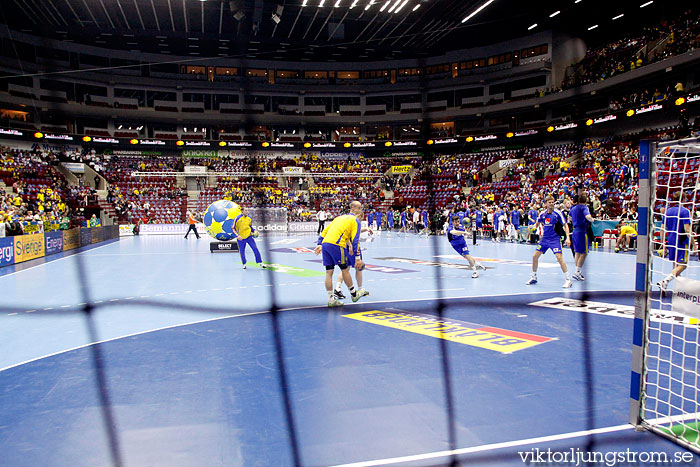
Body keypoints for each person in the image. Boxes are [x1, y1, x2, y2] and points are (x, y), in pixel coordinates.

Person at [315, 208, 364, 307]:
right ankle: (354, 294)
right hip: (337, 245)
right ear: (359, 216)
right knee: (345, 269)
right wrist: (357, 257)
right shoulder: (355, 221)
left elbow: (324, 231)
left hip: (326, 244)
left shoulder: (338, 218)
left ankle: (331, 300)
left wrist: (319, 243)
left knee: (329, 272)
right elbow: (355, 240)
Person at [526, 196, 572, 288]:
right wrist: (533, 227)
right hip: (544, 239)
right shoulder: (542, 214)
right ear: (545, 204)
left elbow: (565, 225)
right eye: (550, 202)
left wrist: (568, 238)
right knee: (535, 256)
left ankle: (568, 280)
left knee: (559, 258)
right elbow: (537, 223)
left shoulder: (557, 213)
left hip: (555, 239)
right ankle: (534, 277)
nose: (552, 204)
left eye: (552, 202)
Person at [334, 201, 370, 301]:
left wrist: (366, 229)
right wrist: (351, 246)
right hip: (352, 248)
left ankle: (338, 288)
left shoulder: (346, 218)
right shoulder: (353, 220)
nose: (361, 209)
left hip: (345, 247)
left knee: (346, 268)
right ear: (354, 209)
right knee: (357, 267)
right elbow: (348, 234)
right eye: (360, 208)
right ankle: (359, 289)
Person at [657, 192, 692, 291]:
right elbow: (687, 229)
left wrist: (662, 242)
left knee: (676, 265)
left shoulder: (667, 211)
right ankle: (665, 281)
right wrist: (693, 243)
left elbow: (662, 228)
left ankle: (679, 290)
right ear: (684, 199)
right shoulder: (685, 211)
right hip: (681, 240)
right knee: (683, 264)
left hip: (671, 239)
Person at [569, 194, 595, 281]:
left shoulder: (573, 208)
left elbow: (569, 218)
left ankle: (577, 272)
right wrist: (592, 219)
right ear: (586, 201)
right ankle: (577, 271)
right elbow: (588, 217)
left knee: (577, 252)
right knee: (584, 252)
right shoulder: (584, 208)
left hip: (574, 231)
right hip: (582, 232)